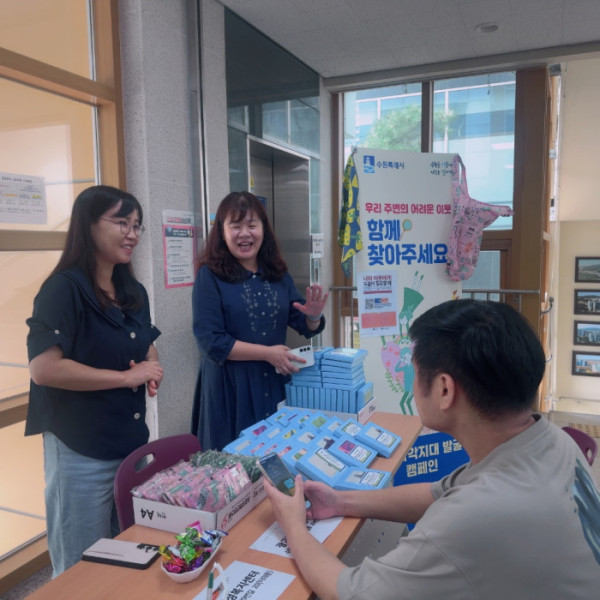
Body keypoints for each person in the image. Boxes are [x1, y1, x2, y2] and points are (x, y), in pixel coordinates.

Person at [264, 299, 600, 600]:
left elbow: (351, 592)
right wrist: (340, 501)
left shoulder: (475, 517)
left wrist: (293, 526)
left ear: (444, 390)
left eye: (414, 371)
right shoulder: (551, 439)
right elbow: (439, 494)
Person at [25, 185, 164, 576]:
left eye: (137, 225)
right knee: (80, 567)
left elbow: (146, 343)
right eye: (122, 222)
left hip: (129, 443)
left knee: (131, 553)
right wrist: (126, 377)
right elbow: (44, 369)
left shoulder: (131, 289)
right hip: (79, 449)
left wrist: (152, 368)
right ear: (88, 225)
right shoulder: (63, 289)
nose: (132, 233)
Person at [191, 191, 328, 450]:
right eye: (236, 226)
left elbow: (303, 324)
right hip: (230, 387)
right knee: (235, 459)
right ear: (222, 231)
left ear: (263, 229)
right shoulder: (209, 276)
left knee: (276, 453)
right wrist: (267, 354)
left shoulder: (277, 273)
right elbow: (211, 341)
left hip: (272, 380)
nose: (245, 233)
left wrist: (313, 315)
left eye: (252, 225)